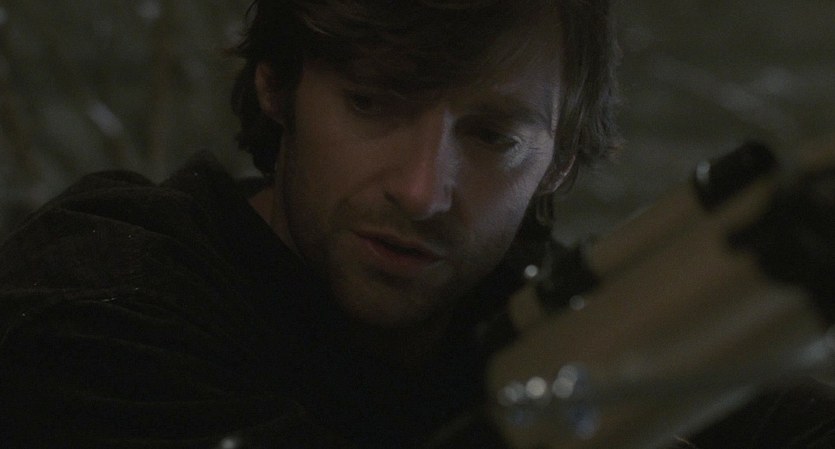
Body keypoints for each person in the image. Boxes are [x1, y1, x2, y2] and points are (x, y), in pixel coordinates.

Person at [1, 1, 833, 449]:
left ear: (560, 161)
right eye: (373, 102)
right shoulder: (106, 300)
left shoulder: (525, 311)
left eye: (492, 136)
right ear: (276, 85)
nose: (422, 190)